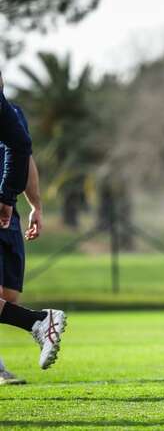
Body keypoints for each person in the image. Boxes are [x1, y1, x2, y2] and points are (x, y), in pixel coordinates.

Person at [0, 71, 66, 385]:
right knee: (5, 295)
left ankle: (39, 321)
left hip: (4, 208)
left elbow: (23, 154)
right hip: (6, 207)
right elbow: (23, 152)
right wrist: (34, 205)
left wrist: (35, 205)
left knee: (7, 295)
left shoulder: (11, 116)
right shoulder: (11, 115)